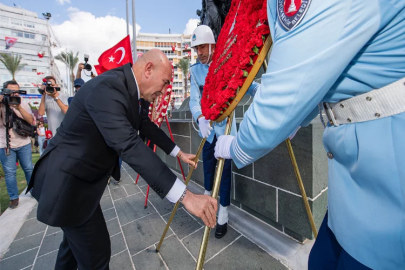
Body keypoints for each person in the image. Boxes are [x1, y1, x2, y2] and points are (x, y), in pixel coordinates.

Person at [214, 1, 405, 269]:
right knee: (319, 261)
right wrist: (297, 120)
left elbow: (289, 84)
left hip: (388, 186)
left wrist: (238, 145)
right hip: (355, 180)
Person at [27, 49, 218, 270]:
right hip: (66, 185)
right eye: (165, 83)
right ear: (148, 69)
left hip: (79, 186)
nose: (166, 91)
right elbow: (129, 145)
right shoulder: (107, 88)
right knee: (97, 258)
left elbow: (144, 125)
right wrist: (186, 196)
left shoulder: (133, 92)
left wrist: (178, 152)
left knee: (71, 251)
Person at [189, 25, 259, 239]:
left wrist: (262, 91)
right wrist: (199, 117)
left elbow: (245, 83)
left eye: (202, 47)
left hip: (227, 130)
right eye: (196, 49)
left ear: (212, 45)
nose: (199, 53)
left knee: (226, 175)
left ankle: (223, 216)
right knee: (208, 171)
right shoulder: (194, 71)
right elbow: (193, 100)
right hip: (208, 131)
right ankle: (208, 208)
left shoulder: (226, 62)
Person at [0, 80, 34, 209]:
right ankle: (13, 198)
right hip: (4, 143)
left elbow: (30, 120)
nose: (14, 94)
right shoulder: (2, 104)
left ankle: (34, 190)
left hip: (23, 142)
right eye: (11, 91)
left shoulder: (22, 103)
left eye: (17, 91)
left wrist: (18, 107)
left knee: (29, 169)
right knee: (10, 172)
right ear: (5, 91)